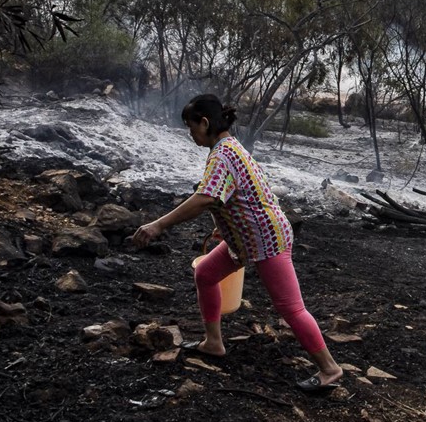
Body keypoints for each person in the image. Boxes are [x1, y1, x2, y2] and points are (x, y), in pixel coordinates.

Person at [131, 94, 343, 393]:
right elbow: (236, 196)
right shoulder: (229, 148)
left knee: (291, 308)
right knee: (205, 274)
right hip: (245, 239)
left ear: (205, 123)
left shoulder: (223, 154)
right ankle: (213, 342)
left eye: (191, 127)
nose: (190, 133)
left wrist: (158, 224)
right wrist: (223, 229)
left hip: (267, 239)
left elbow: (207, 198)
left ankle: (329, 369)